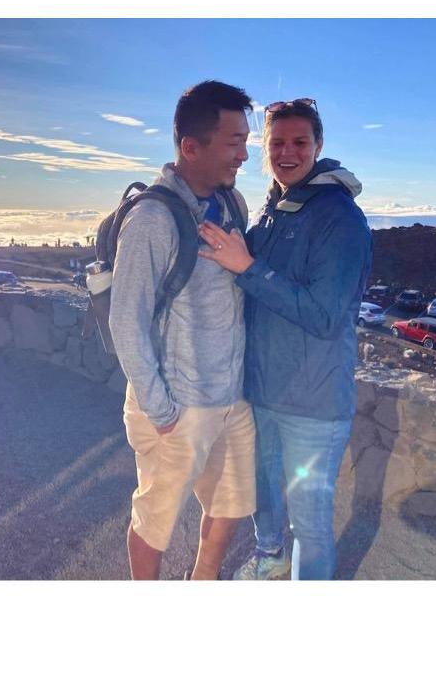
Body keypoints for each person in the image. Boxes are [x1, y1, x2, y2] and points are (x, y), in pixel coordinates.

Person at [198, 97, 372, 580]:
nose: (287, 152)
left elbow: (323, 316)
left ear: (319, 145)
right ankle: (270, 563)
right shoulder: (276, 209)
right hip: (263, 393)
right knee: (265, 496)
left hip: (313, 406)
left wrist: (248, 268)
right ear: (265, 149)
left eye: (299, 142)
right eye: (277, 143)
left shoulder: (339, 218)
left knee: (311, 526)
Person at [109, 80, 257, 580]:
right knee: (155, 522)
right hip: (178, 405)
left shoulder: (230, 201)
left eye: (246, 140)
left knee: (234, 500)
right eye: (234, 142)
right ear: (191, 147)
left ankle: (203, 582)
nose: (244, 154)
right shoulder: (153, 218)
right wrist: (161, 409)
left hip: (230, 396)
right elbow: (124, 321)